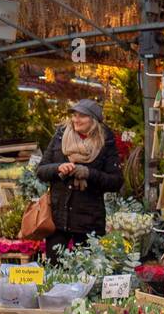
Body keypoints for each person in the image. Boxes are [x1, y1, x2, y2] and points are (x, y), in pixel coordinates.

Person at [34, 99, 124, 258]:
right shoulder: (61, 136)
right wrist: (58, 168)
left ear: (94, 120)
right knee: (55, 270)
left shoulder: (105, 142)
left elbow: (116, 181)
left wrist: (89, 173)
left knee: (85, 274)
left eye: (82, 116)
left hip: (88, 221)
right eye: (74, 115)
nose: (76, 119)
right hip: (58, 219)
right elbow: (41, 170)